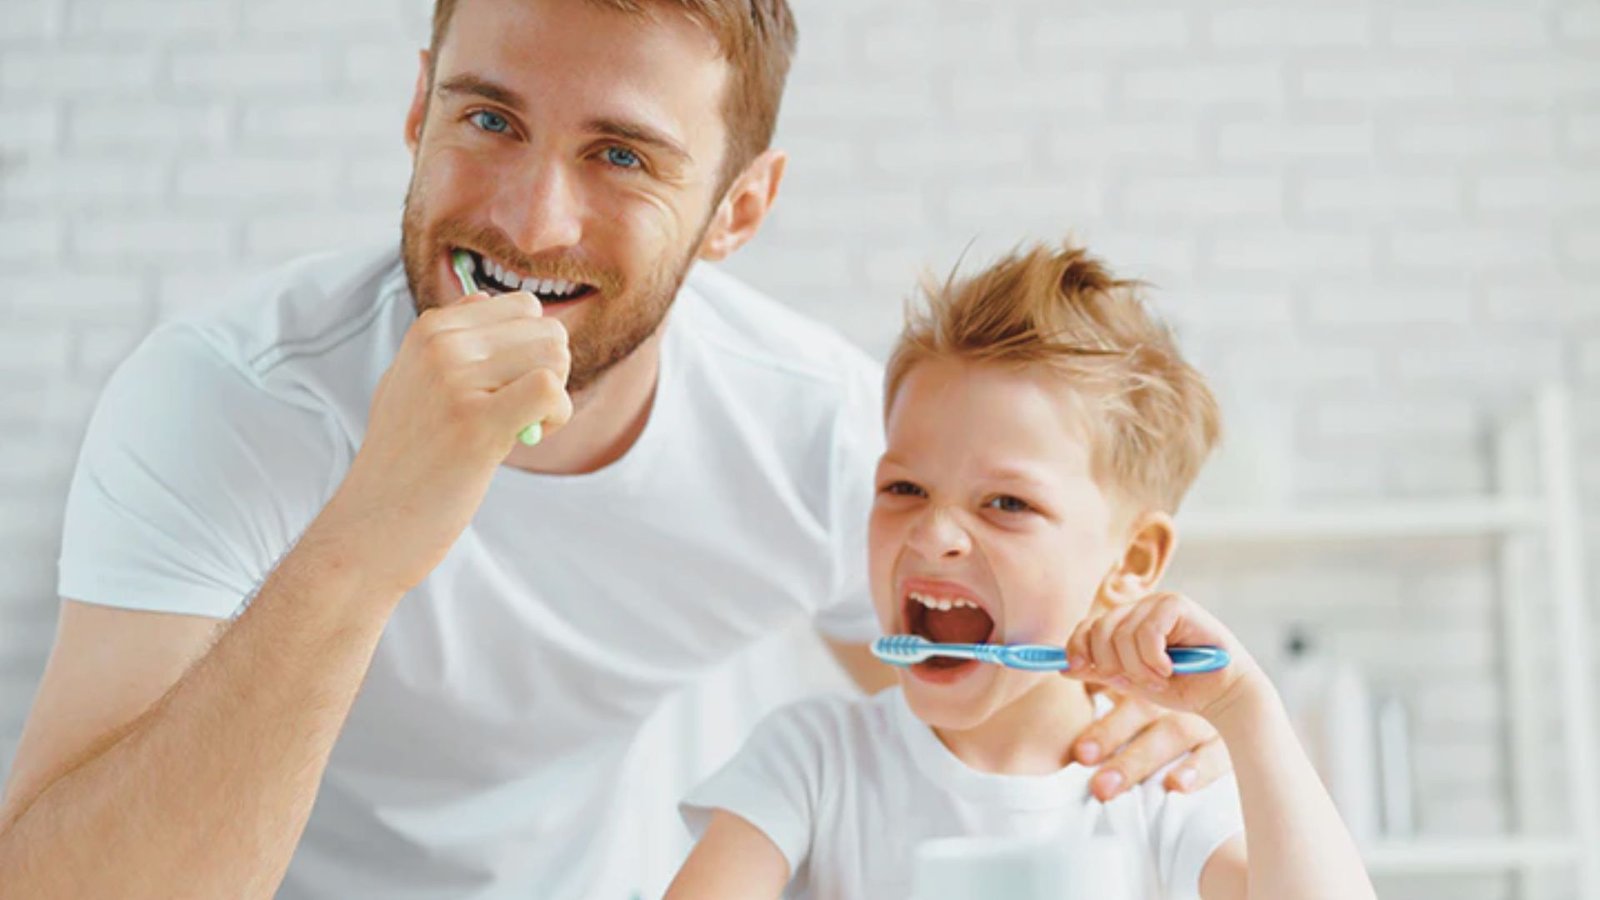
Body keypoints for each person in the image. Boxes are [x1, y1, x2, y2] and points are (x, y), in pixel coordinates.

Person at [0, 2, 1232, 897]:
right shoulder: (224, 401)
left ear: (739, 209)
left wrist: (1129, 729)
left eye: (622, 155)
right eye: (488, 118)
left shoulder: (824, 438)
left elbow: (981, 695)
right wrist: (367, 540)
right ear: (418, 105)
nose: (528, 222)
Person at [666, 242, 1378, 899]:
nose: (934, 534)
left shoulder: (1162, 785)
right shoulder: (815, 761)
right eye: (904, 489)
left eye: (1006, 503)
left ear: (1131, 561)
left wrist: (1248, 714)